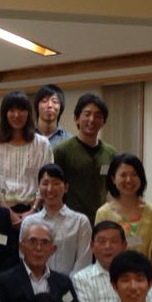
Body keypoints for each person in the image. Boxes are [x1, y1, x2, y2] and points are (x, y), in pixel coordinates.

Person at [71, 221, 152, 302]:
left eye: (114, 241)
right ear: (92, 246)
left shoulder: (140, 275)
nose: (107, 246)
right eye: (102, 241)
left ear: (124, 245)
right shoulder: (82, 278)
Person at [0, 91, 52, 226]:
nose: (16, 115)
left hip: (35, 212)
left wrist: (33, 210)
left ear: (29, 113)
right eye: (11, 110)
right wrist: (9, 214)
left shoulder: (42, 144)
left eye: (21, 109)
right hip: (1, 212)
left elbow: (47, 180)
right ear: (5, 114)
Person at [94, 153, 152, 277]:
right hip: (112, 280)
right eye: (123, 175)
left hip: (148, 280)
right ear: (113, 179)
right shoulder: (103, 213)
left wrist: (145, 282)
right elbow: (100, 252)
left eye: (134, 174)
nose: (129, 180)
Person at [51, 93, 117, 224]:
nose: (92, 119)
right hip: (69, 221)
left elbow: (114, 188)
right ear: (76, 118)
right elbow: (54, 188)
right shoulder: (61, 151)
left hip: (100, 220)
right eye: (87, 114)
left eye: (98, 116)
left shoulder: (111, 153)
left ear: (104, 121)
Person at [19, 164, 91, 274]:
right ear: (38, 187)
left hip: (71, 283)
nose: (50, 189)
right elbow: (24, 259)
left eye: (56, 183)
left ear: (66, 187)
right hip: (35, 283)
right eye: (45, 183)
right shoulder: (29, 222)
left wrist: (66, 284)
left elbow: (83, 263)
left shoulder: (80, 222)